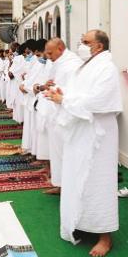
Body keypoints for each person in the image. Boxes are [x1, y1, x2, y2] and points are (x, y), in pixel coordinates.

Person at [44, 30, 122, 257]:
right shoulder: (86, 66)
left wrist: (64, 99)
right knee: (77, 177)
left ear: (98, 46)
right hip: (80, 132)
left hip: (99, 136)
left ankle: (105, 236)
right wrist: (62, 93)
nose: (80, 45)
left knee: (98, 182)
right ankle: (82, 221)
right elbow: (79, 92)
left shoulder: (107, 68)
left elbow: (98, 101)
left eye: (85, 42)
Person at [39, 38, 82, 195]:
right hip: (56, 112)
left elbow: (73, 89)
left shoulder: (71, 64)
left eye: (50, 52)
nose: (48, 56)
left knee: (65, 153)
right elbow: (56, 83)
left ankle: (67, 186)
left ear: (61, 48)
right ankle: (60, 183)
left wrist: (55, 88)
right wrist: (50, 84)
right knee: (57, 152)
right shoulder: (60, 62)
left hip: (66, 114)